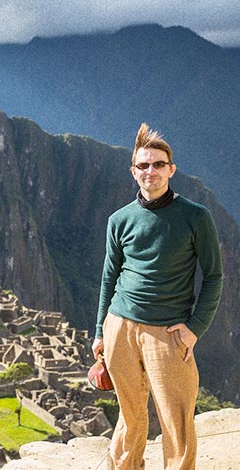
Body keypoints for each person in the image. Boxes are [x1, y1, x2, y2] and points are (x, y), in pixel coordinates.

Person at [92, 123, 223, 470]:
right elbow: (110, 275)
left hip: (166, 331)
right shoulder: (120, 220)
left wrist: (194, 328)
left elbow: (213, 276)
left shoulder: (196, 217)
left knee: (176, 416)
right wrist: (100, 331)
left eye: (158, 164)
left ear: (171, 168)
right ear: (134, 171)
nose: (151, 171)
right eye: (143, 165)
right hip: (120, 325)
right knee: (131, 412)